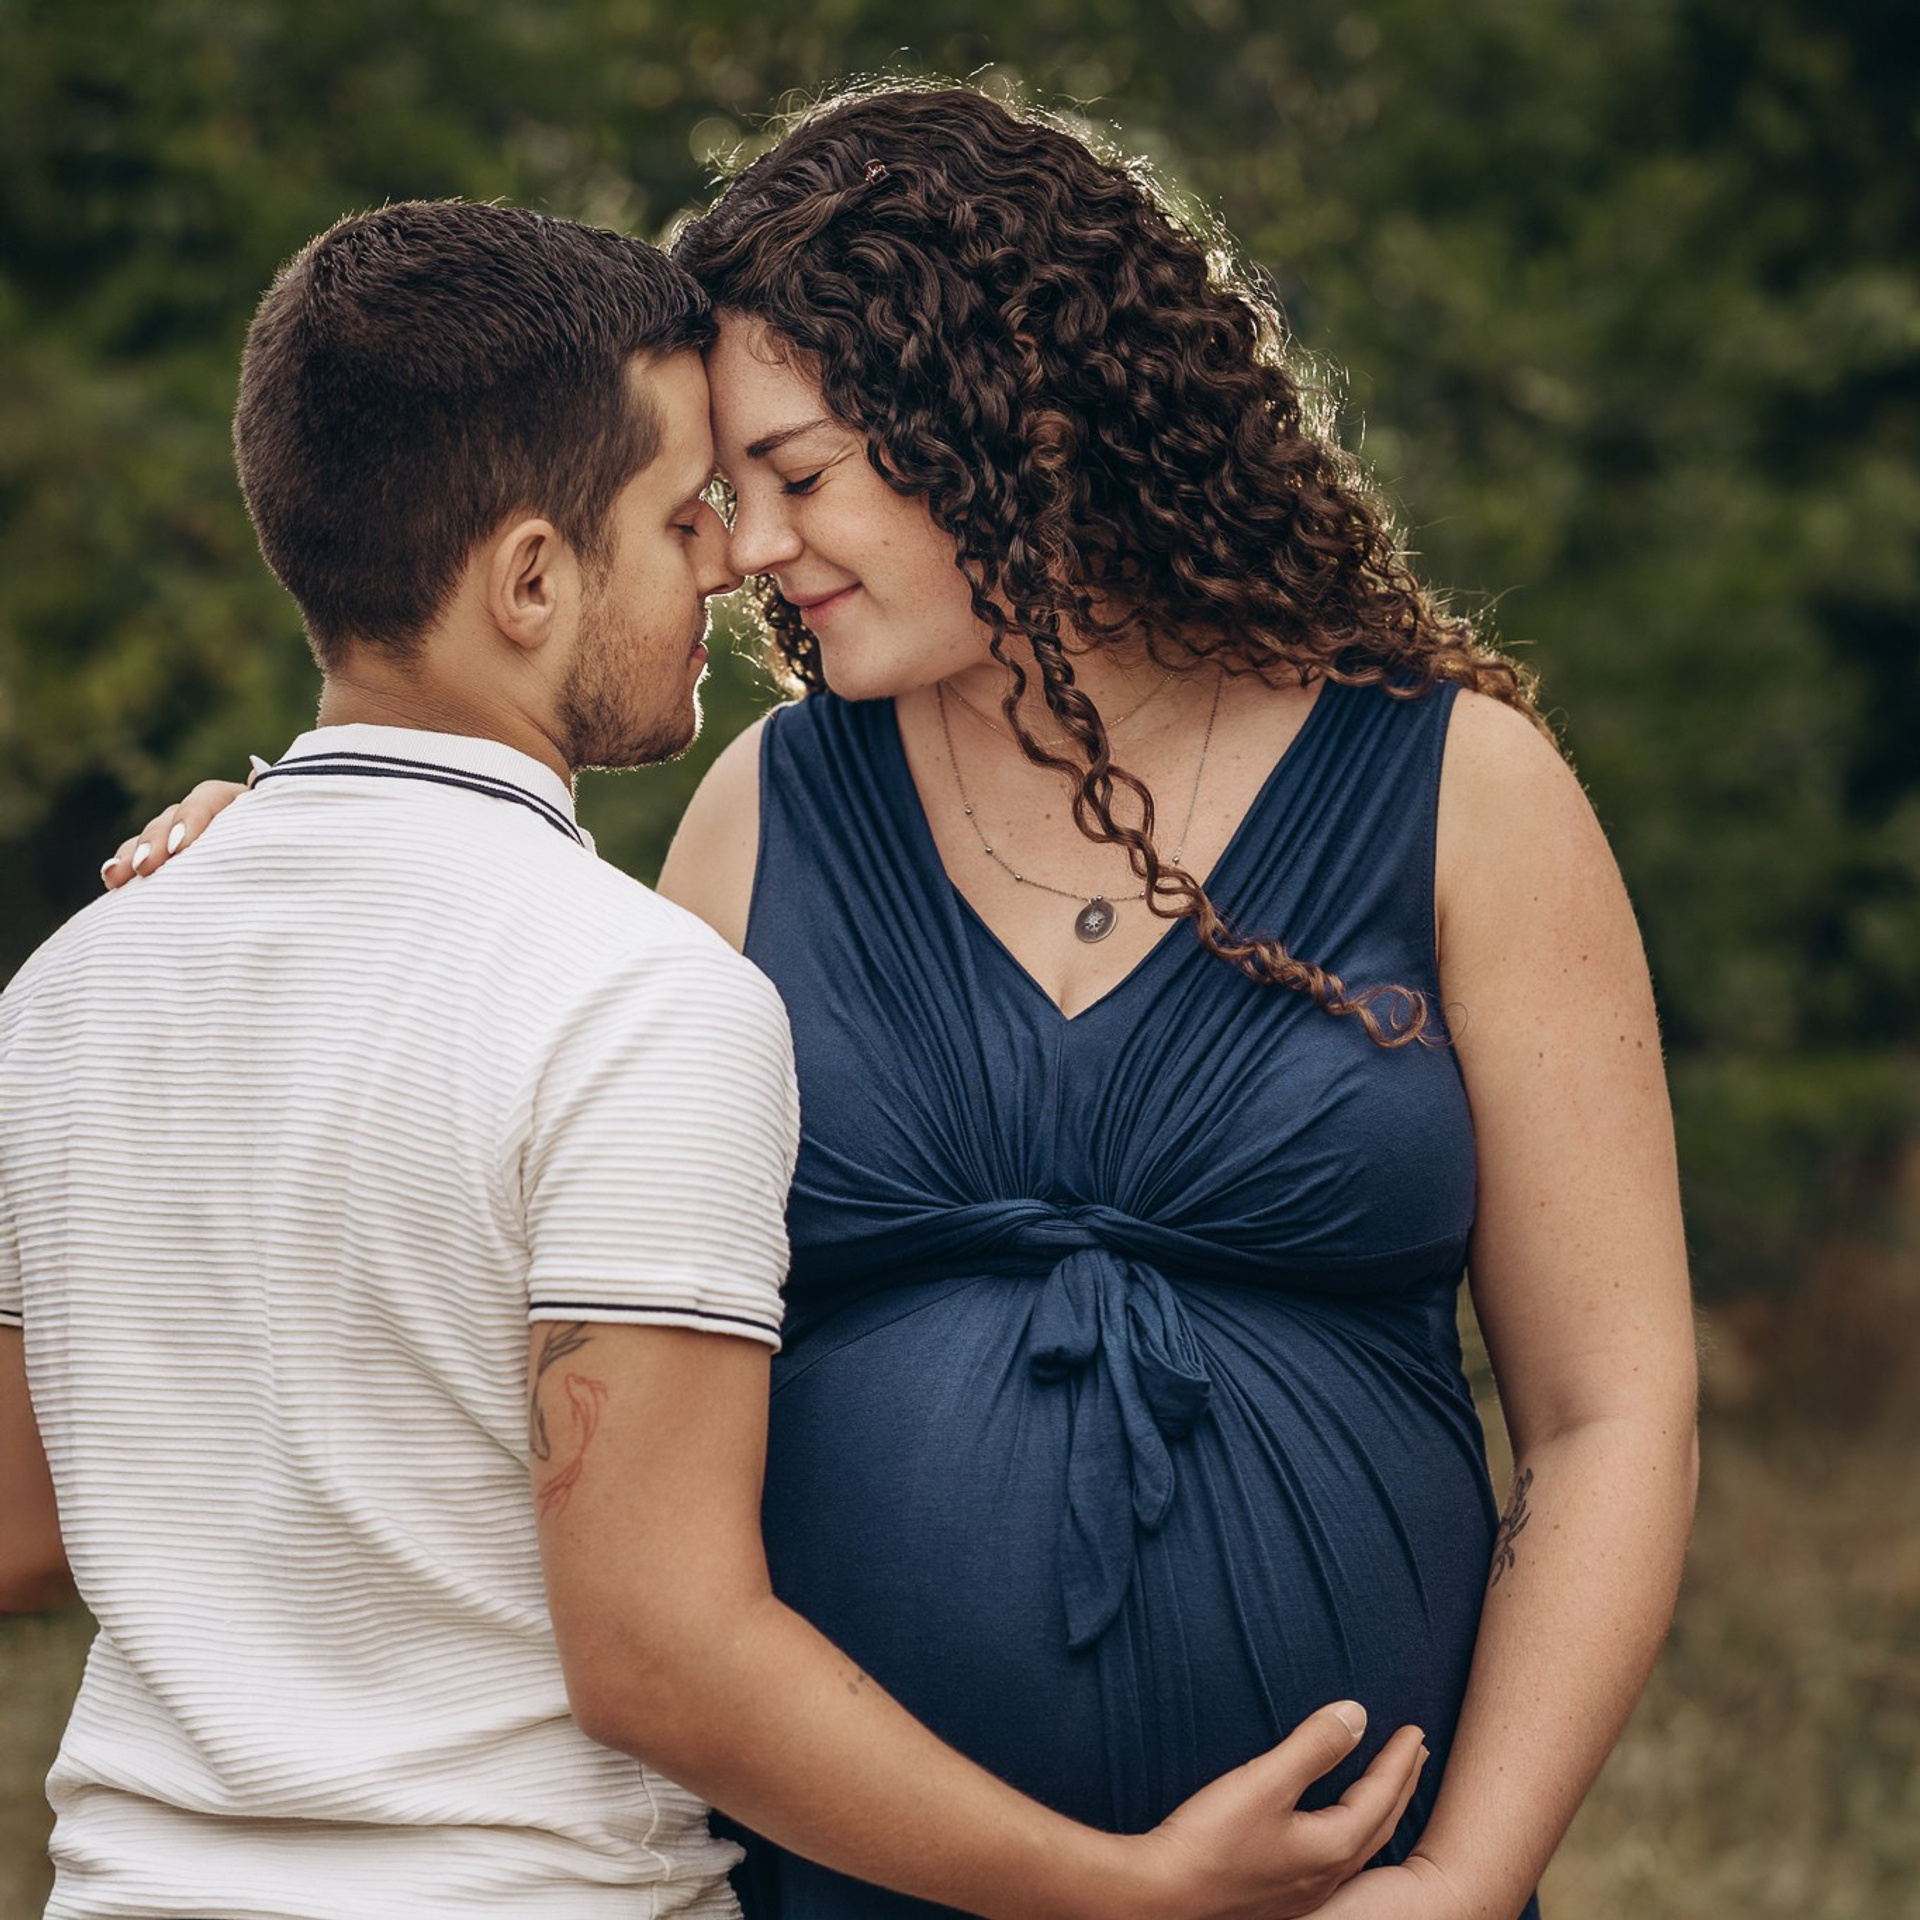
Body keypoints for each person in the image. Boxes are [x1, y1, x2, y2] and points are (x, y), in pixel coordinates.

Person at [105, 82, 1699, 1920]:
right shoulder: (765, 811)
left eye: (799, 475)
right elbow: (507, 1136)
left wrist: (1471, 1880)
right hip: (850, 1880)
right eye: (720, 497)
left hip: (1367, 1889)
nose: (751, 552)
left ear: (1015, 420)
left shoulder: (1461, 788)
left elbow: (1613, 1409)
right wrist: (299, 872)